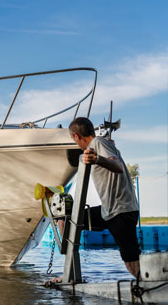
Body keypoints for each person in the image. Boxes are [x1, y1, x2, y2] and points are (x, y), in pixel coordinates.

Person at [49, 117, 140, 285]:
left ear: (76, 136)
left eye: (73, 140)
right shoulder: (101, 144)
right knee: (67, 219)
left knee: (131, 263)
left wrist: (97, 159)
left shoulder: (98, 144)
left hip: (121, 210)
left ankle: (153, 286)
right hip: (109, 210)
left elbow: (118, 166)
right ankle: (69, 272)